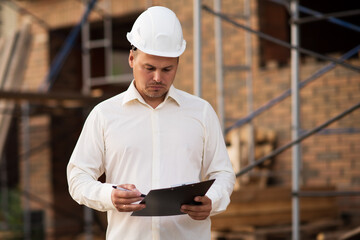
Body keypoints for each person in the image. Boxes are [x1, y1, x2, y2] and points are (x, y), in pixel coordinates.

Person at [67, 6, 235, 240]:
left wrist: (212, 201)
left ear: (177, 63)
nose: (158, 77)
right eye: (149, 68)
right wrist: (109, 195)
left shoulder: (201, 112)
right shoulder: (104, 115)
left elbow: (223, 173)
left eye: (167, 69)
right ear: (132, 58)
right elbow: (78, 177)